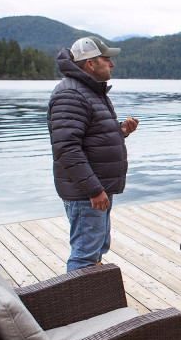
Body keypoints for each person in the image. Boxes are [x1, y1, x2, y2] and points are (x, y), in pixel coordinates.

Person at [47, 36, 139, 272]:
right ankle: (76, 306)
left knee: (96, 249)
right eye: (107, 59)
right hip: (87, 193)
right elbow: (67, 149)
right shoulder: (70, 95)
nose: (112, 64)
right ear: (90, 63)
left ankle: (91, 300)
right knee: (84, 255)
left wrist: (120, 132)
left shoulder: (90, 91)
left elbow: (91, 138)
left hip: (97, 190)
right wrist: (94, 190)